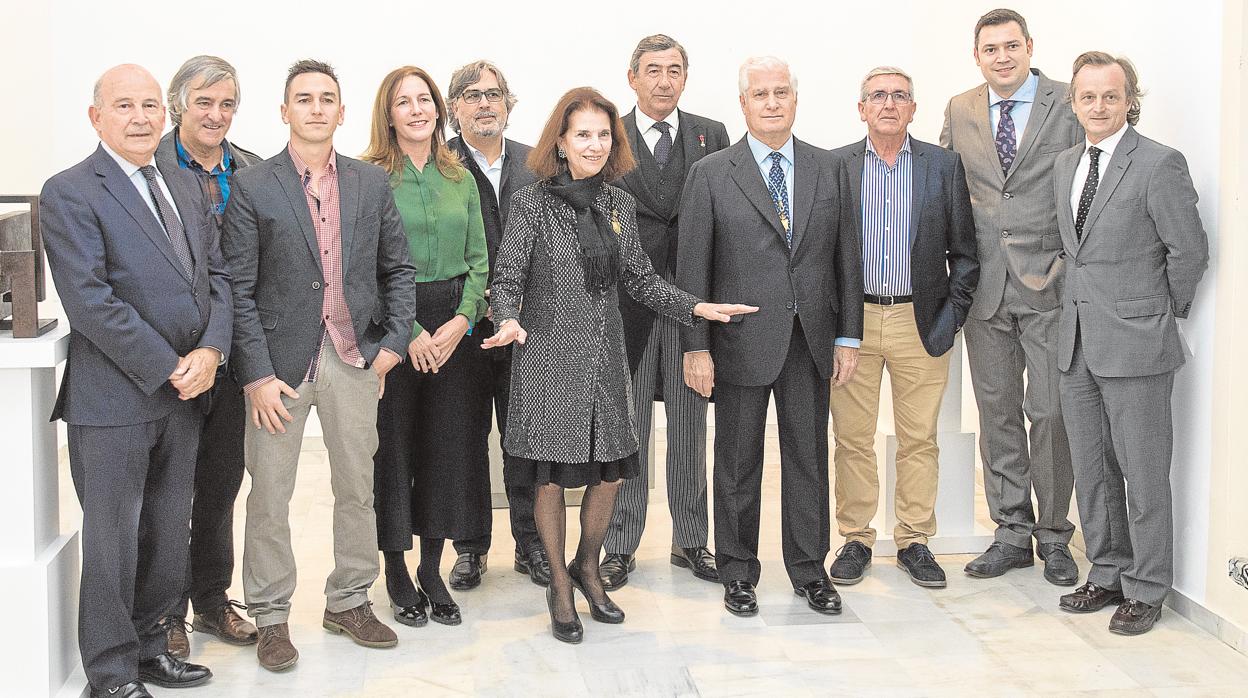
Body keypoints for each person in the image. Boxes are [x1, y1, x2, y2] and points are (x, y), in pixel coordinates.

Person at [482, 87, 755, 643]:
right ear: (559, 141)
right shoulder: (532, 200)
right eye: (583, 134)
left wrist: (696, 306)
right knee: (553, 481)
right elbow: (507, 277)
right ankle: (560, 583)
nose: (595, 144)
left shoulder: (618, 204)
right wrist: (506, 317)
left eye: (604, 134)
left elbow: (640, 279)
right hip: (548, 359)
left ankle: (588, 565)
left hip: (607, 359)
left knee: (610, 474)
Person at [221, 59, 418, 670]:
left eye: (326, 98)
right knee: (270, 494)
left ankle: (349, 600)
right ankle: (272, 616)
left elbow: (399, 270)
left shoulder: (369, 184)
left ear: (341, 110)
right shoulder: (254, 187)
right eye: (302, 99)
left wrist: (391, 346)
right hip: (279, 368)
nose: (315, 108)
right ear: (284, 111)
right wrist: (254, 374)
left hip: (355, 357)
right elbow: (238, 287)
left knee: (356, 488)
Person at [41, 63, 227, 698]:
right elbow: (91, 302)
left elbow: (219, 279)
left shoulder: (183, 183)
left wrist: (210, 351)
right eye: (125, 106)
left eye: (150, 105)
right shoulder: (69, 192)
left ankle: (151, 650)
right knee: (114, 545)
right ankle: (112, 675)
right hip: (114, 401)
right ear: (97, 117)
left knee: (167, 535)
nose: (142, 117)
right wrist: (172, 365)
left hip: (186, 398)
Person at [676, 56, 863, 618]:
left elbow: (845, 258)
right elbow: (692, 270)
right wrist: (696, 346)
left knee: (808, 457)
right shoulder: (711, 173)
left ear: (795, 98)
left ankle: (809, 570)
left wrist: (848, 336)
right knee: (737, 461)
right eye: (761, 94)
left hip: (810, 343)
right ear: (744, 104)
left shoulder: (829, 168)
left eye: (782, 91)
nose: (773, 102)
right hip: (738, 342)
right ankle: (737, 571)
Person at [1053, 52, 1208, 635]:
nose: (1098, 106)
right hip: (1074, 344)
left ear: (1129, 100)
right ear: (1074, 102)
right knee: (1091, 470)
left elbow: (1188, 251)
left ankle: (1147, 588)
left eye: (1110, 96)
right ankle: (1109, 570)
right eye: (1088, 97)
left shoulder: (1160, 164)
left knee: (1143, 473)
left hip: (1139, 344)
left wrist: (1159, 313)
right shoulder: (1066, 162)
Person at [940, 8, 1083, 585]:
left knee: (1049, 411)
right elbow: (946, 187)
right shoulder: (960, 108)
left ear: (1029, 46)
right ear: (977, 55)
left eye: (1010, 46)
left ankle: (1054, 536)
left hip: (1049, 282)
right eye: (990, 49)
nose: (1002, 57)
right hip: (984, 289)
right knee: (997, 411)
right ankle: (1011, 532)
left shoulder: (1068, 100)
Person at [827, 67, 978, 589]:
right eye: (878, 96)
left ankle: (914, 539)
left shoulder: (943, 165)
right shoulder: (835, 167)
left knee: (919, 439)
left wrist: (951, 317)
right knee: (852, 437)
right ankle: (855, 538)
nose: (889, 104)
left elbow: (965, 252)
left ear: (913, 109)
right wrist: (836, 326)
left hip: (922, 321)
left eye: (900, 96)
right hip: (855, 324)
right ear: (862, 108)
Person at [600, 33, 731, 591]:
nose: (664, 81)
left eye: (674, 70)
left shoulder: (712, 134)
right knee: (627, 431)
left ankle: (691, 541)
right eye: (652, 70)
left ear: (685, 77)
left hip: (688, 308)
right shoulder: (609, 133)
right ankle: (620, 545)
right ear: (633, 78)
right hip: (626, 305)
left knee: (688, 429)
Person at [362, 65, 491, 628]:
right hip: (394, 326)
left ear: (440, 109)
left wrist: (462, 322)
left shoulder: (460, 175)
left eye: (425, 100)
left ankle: (432, 569)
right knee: (394, 451)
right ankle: (395, 568)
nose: (417, 110)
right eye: (403, 102)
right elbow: (361, 268)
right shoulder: (368, 178)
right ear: (387, 115)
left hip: (456, 332)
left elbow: (483, 263)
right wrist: (408, 329)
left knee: (449, 451)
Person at [154, 54, 263, 658]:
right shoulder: (151, 169)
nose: (217, 115)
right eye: (204, 102)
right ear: (178, 105)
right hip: (170, 361)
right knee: (171, 487)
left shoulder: (246, 171)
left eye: (227, 104)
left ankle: (212, 600)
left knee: (222, 483)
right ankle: (167, 610)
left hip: (231, 357)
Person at [443, 59, 546, 589]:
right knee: (465, 438)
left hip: (528, 328)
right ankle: (470, 547)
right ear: (453, 107)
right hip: (462, 328)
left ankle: (531, 544)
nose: (485, 103)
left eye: (493, 94)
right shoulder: (440, 164)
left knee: (524, 439)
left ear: (509, 104)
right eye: (471, 94)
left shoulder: (540, 163)